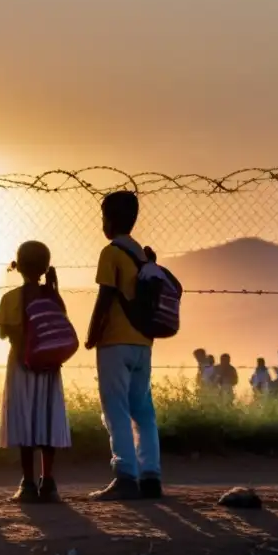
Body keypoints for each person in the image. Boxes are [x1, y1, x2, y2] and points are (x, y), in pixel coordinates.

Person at [85, 191, 162, 501]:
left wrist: (92, 333)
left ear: (110, 220)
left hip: (115, 340)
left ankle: (125, 474)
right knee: (143, 409)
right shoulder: (143, 255)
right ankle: (151, 475)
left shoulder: (112, 252)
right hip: (143, 341)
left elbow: (105, 297)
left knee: (115, 407)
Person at [0, 240, 72, 503]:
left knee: (24, 420)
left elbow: (4, 332)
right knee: (47, 419)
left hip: (20, 365)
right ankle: (48, 480)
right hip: (49, 366)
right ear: (45, 267)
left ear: (17, 265)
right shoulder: (52, 296)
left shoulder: (9, 299)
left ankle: (27, 483)